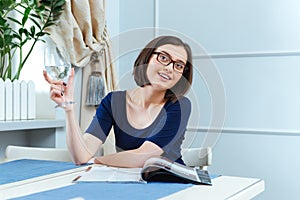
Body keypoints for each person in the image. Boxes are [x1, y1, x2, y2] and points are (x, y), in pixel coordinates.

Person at [43, 35, 193, 168]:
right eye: (163, 58)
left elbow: (145, 156)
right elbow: (81, 156)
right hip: (126, 181)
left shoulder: (179, 106)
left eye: (179, 65)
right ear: (147, 58)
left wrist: (97, 161)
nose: (169, 68)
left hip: (170, 182)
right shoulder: (113, 101)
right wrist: (68, 107)